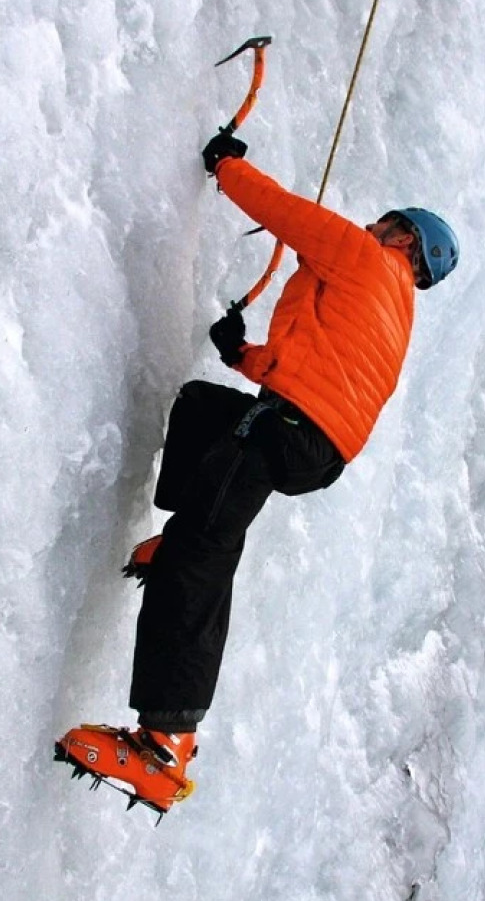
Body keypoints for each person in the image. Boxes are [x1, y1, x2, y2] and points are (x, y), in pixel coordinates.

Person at [55, 129, 460, 816]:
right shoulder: (394, 315)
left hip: (289, 427)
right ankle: (172, 544)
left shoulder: (367, 259)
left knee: (203, 556)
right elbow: (313, 375)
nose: (373, 223)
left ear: (401, 235)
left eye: (385, 221)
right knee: (204, 406)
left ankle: (164, 744)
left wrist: (227, 165)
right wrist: (243, 357)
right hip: (309, 443)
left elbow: (285, 214)